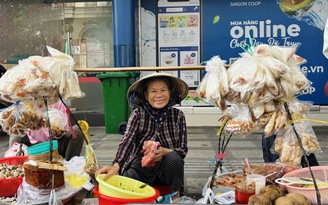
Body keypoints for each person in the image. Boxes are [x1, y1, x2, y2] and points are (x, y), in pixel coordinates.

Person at [95, 72, 189, 199]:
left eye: (163, 90)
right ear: (146, 94)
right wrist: (116, 164)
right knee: (125, 181)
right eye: (153, 91)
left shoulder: (178, 116)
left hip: (167, 170)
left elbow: (182, 150)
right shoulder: (138, 115)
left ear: (170, 92)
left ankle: (176, 197)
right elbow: (127, 141)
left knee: (174, 158)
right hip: (141, 168)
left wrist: (164, 152)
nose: (159, 95)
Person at [9, 100, 84, 161]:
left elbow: (63, 129)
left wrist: (57, 134)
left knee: (77, 131)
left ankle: (70, 166)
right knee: (15, 135)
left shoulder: (58, 102)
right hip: (32, 149)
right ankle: (15, 167)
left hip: (55, 146)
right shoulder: (25, 103)